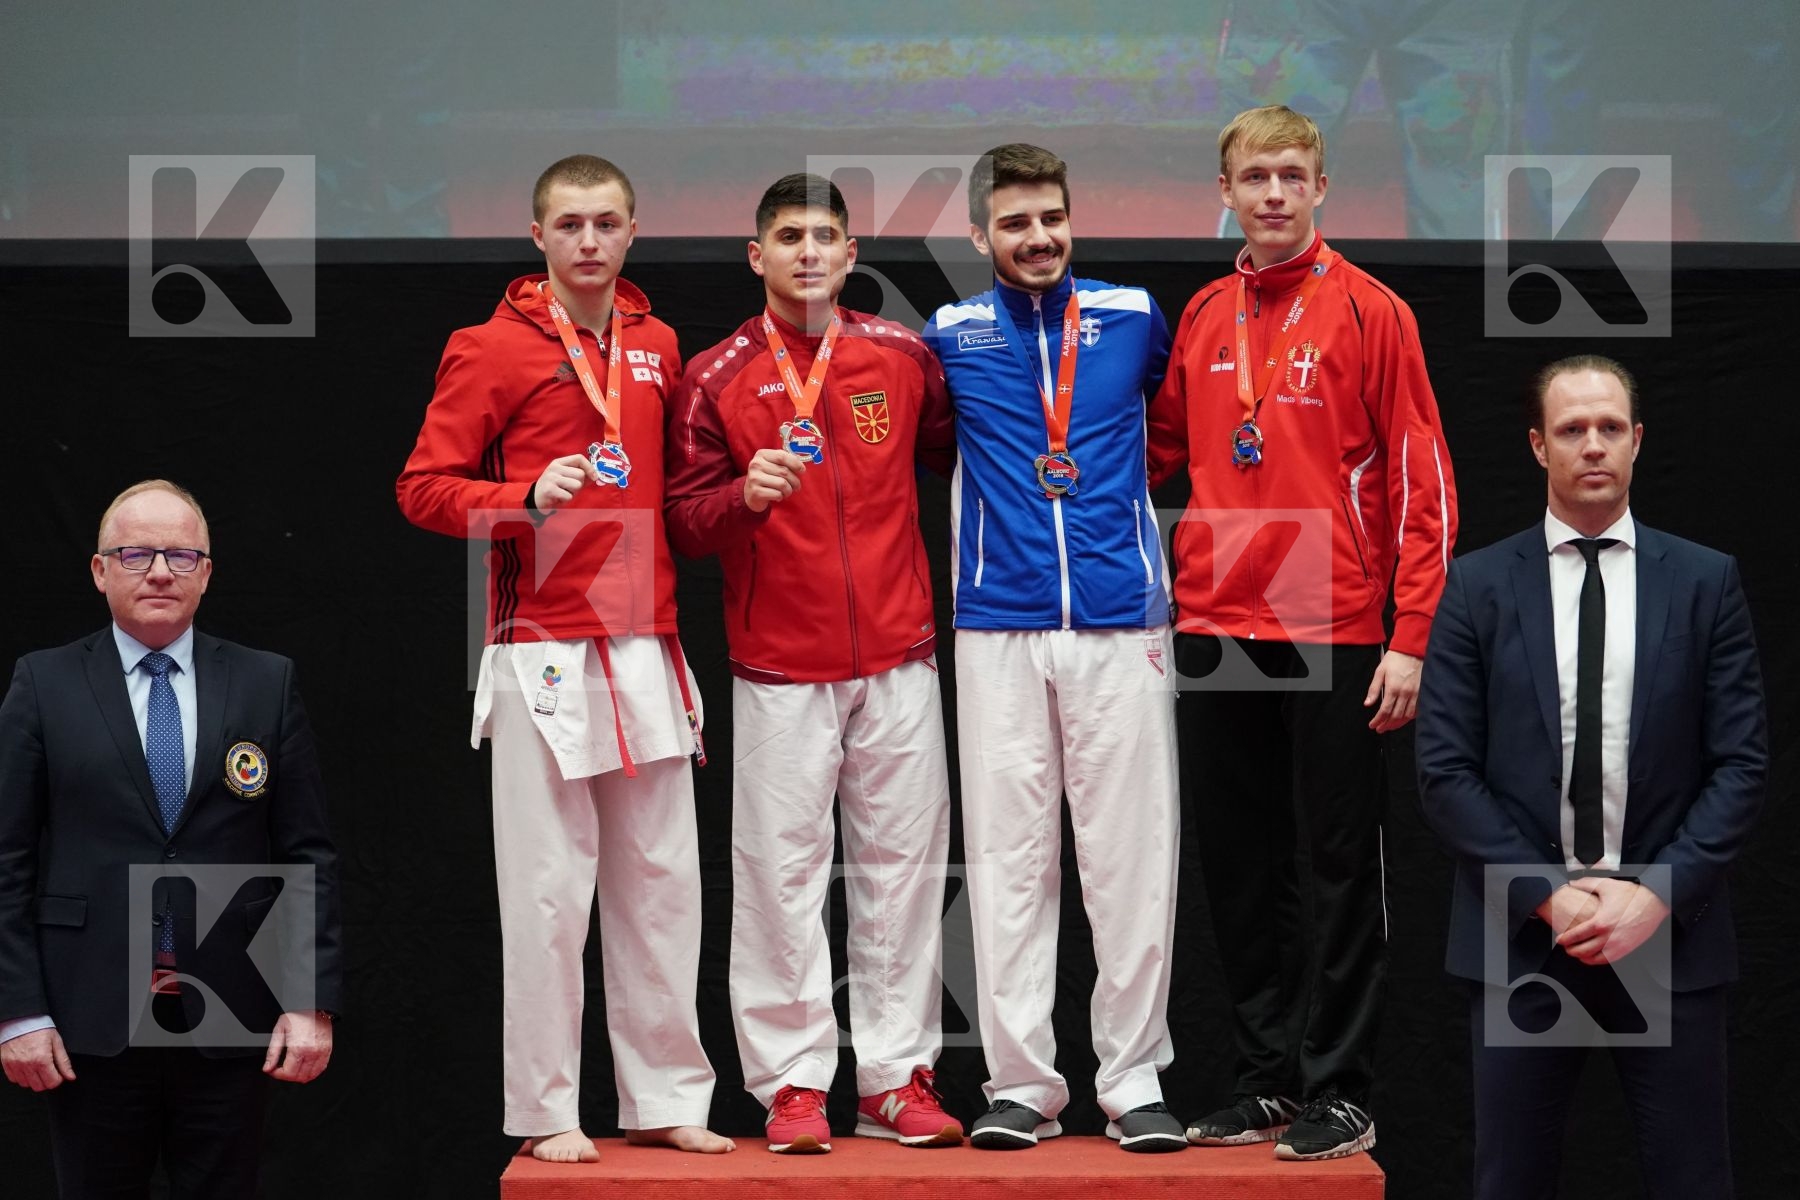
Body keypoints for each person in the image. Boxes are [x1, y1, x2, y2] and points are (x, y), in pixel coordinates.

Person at [396, 154, 732, 1163]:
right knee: (547, 891)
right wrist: (521, 496)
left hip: (649, 642)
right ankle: (547, 1108)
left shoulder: (660, 344)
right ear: (536, 235)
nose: (589, 240)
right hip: (540, 645)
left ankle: (667, 1096)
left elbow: (674, 493)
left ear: (634, 232)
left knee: (666, 882)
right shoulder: (487, 348)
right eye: (570, 224)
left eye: (607, 223)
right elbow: (420, 487)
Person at [1146, 103, 1458, 1160]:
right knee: (1241, 867)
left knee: (1336, 866)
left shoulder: (1374, 312)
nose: (1273, 193)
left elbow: (1425, 483)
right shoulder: (1198, 315)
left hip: (1335, 627)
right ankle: (1267, 1079)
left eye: (1291, 175)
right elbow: (1158, 457)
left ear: (1321, 189)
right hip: (1217, 624)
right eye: (1253, 177)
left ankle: (1343, 1087)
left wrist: (1409, 635)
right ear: (1223, 192)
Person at [1415, 356, 1766, 1199]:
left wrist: (1654, 895)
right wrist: (1551, 895)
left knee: (1693, 1180)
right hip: (1526, 934)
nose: (1594, 445)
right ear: (1539, 447)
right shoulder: (1476, 585)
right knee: (1511, 1182)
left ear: (1638, 440)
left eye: (1611, 427)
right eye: (1572, 429)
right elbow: (1446, 772)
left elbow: (1743, 764)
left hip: (1668, 936)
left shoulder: (1705, 582)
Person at [664, 173, 960, 1154]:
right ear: (757, 255)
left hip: (901, 657)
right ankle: (793, 1085)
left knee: (903, 876)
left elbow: (949, 456)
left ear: (848, 253)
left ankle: (894, 1079)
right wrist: (742, 495)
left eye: (824, 235)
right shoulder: (715, 376)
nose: (806, 252)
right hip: (780, 665)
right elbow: (683, 524)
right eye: (787, 236)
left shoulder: (901, 356)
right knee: (781, 879)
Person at [921, 144, 1186, 1154]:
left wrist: (1110, 521)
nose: (1039, 238)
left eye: (1053, 219)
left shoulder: (1131, 316)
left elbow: (1167, 433)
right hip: (999, 622)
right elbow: (937, 447)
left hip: (1121, 622)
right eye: (1017, 223)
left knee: (1131, 859)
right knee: (1006, 861)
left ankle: (1133, 1079)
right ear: (981, 234)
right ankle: (1022, 1083)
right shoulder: (947, 336)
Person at [0, 479, 344, 1197]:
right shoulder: (44, 683)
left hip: (229, 1014)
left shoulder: (264, 683)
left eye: (181, 556)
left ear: (207, 573)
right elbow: (8, 858)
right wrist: (18, 1012)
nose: (160, 571)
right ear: (100, 571)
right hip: (87, 1018)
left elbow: (307, 852)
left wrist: (307, 1000)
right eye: (135, 553)